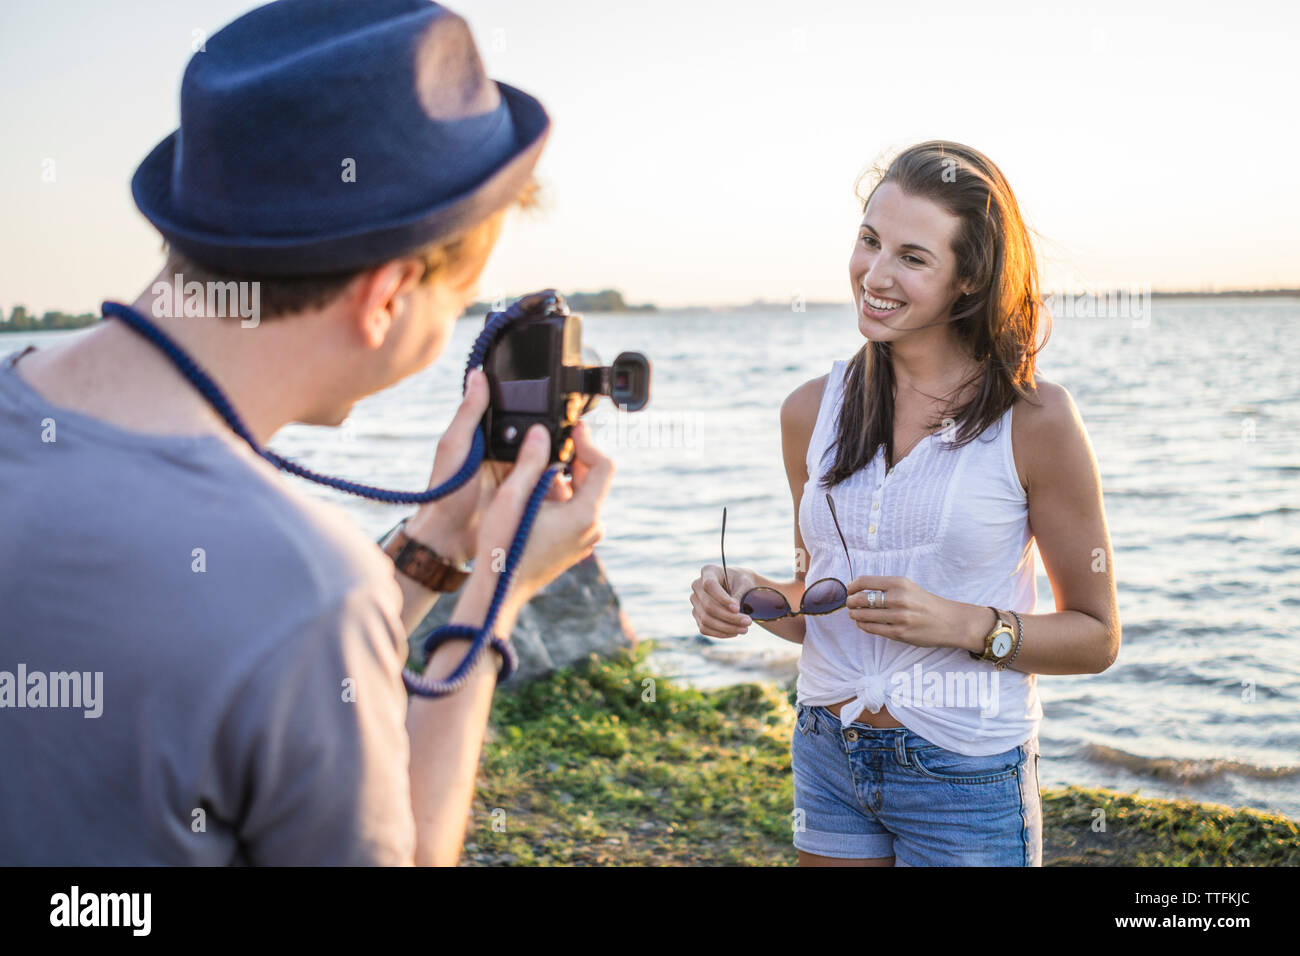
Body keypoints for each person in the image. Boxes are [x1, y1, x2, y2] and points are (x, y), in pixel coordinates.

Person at [0, 0, 613, 865]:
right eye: (454, 303)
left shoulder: (293, 594)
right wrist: (496, 600)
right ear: (388, 297)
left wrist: (439, 540)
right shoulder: (303, 587)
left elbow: (256, 665)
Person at [690, 141, 1120, 866]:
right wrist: (751, 599)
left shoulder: (1036, 420)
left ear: (969, 281)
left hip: (967, 773)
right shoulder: (808, 412)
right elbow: (819, 600)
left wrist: (962, 623)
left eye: (913, 258)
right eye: (869, 241)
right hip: (829, 749)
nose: (874, 274)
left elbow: (1095, 637)